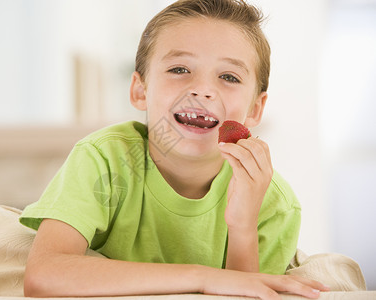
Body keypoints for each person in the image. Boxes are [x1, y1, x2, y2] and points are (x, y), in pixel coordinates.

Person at [19, 0, 329, 298]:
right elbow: (43, 275)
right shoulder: (105, 159)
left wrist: (242, 226)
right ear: (140, 91)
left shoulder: (276, 204)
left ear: (255, 110)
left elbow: (249, 293)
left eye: (228, 76)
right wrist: (202, 277)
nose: (203, 90)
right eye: (180, 69)